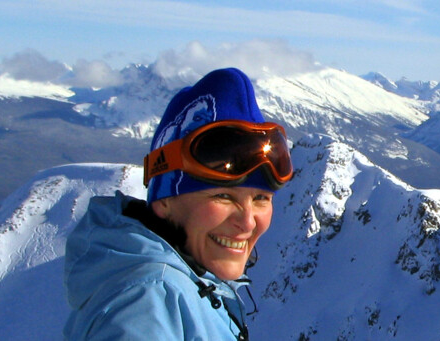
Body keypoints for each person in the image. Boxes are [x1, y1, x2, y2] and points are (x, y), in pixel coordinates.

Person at [63, 68, 294, 340]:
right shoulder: (149, 300)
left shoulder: (183, 286)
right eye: (223, 196)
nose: (247, 222)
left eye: (260, 199)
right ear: (165, 201)